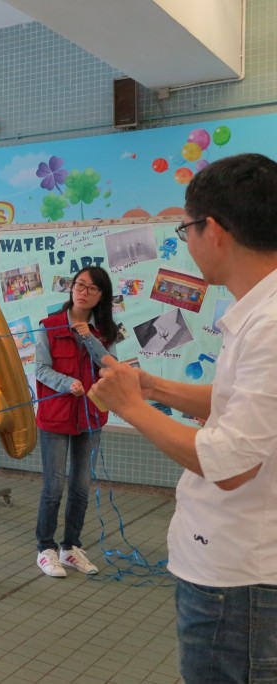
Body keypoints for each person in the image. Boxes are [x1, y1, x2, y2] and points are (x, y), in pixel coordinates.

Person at [89, 153, 277, 684]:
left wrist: (131, 406)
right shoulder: (260, 314)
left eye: (187, 229)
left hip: (240, 579)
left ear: (212, 230)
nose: (187, 243)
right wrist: (153, 385)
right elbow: (236, 400)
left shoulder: (268, 324)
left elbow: (232, 464)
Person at [33, 265, 118, 578]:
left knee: (81, 488)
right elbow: (41, 369)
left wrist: (90, 338)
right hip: (55, 416)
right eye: (79, 285)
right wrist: (66, 382)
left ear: (100, 297)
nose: (83, 292)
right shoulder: (49, 326)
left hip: (90, 416)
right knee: (53, 488)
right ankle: (45, 549)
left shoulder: (105, 332)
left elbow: (112, 368)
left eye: (92, 289)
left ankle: (70, 547)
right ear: (71, 289)